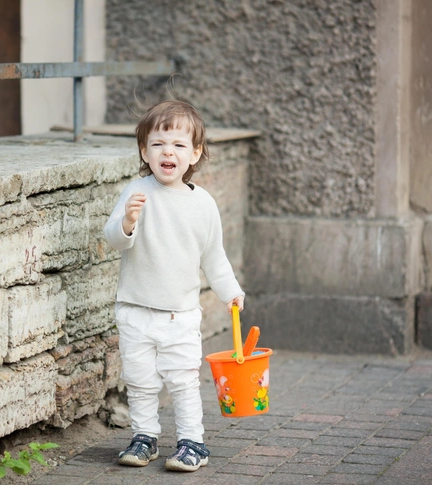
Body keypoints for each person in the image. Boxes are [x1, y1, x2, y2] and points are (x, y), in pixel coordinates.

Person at [103, 100, 245, 472]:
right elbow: (113, 239)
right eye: (159, 144)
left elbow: (214, 256)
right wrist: (128, 222)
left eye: (179, 145)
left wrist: (229, 290)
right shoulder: (136, 192)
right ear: (144, 151)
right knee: (140, 380)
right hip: (134, 308)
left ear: (195, 153)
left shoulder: (203, 205)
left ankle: (192, 442)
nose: (169, 152)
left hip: (179, 314)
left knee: (182, 380)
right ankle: (145, 437)